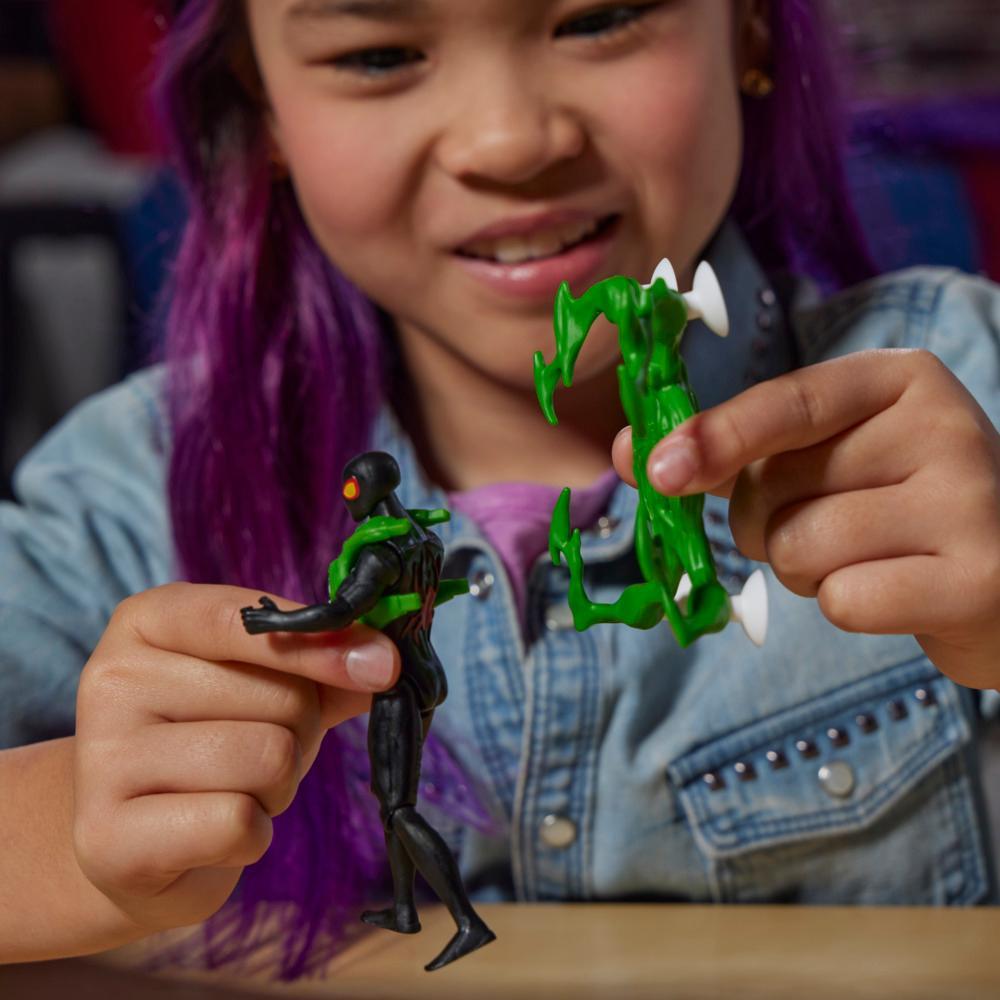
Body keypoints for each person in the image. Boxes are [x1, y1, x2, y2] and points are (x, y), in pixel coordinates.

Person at [1, 0, 998, 981]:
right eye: (379, 55)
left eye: (598, 19)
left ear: (749, 28)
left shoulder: (970, 396)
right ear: (259, 105)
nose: (511, 142)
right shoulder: (130, 492)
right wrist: (69, 836)